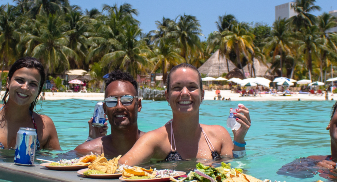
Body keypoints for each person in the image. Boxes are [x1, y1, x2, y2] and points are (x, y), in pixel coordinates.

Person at [119, 63, 250, 166]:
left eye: (192, 87)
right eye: (177, 88)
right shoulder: (155, 140)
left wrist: (239, 140)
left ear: (202, 95)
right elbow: (120, 167)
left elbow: (237, 173)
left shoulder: (219, 136)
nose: (185, 93)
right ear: (167, 96)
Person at [0, 57, 61, 150]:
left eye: (33, 84)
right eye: (20, 80)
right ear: (8, 82)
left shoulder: (45, 125)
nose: (25, 87)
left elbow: (58, 161)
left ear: (39, 91)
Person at [74, 70, 145, 158]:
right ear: (105, 109)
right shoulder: (87, 151)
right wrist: (91, 139)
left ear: (139, 105)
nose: (119, 107)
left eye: (127, 100)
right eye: (111, 101)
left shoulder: (158, 146)